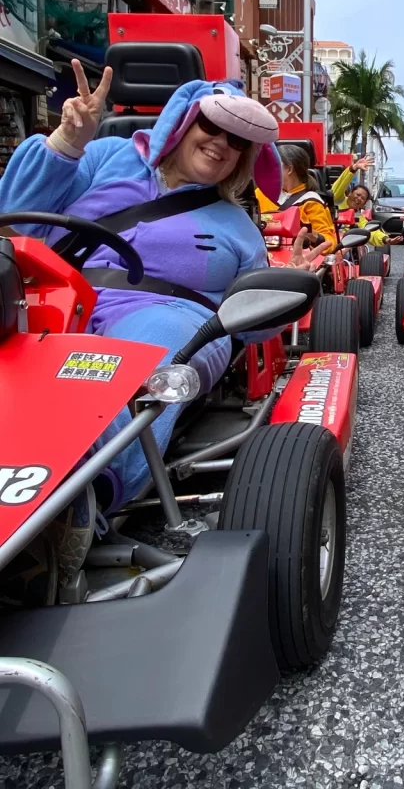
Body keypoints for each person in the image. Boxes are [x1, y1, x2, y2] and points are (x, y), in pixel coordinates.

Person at [0, 60, 328, 568]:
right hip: (52, 301)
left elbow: (257, 315)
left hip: (167, 318)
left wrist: (293, 282)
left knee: (142, 362)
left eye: (237, 140)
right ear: (181, 120)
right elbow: (12, 211)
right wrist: (67, 141)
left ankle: (83, 497)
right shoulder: (106, 156)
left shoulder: (236, 225)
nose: (221, 143)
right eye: (212, 126)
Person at [256, 143, 338, 253]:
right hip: (260, 258)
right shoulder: (260, 194)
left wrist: (313, 236)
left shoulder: (312, 202)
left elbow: (330, 243)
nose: (269, 170)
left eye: (274, 165)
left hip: (295, 263)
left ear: (289, 169)